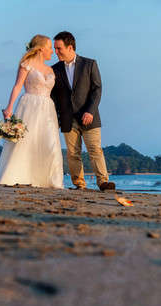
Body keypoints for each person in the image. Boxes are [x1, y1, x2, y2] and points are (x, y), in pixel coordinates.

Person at [0, 35, 64, 188]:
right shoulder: (26, 65)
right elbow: (17, 86)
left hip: (48, 110)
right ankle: (18, 176)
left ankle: (50, 181)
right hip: (29, 105)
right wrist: (9, 108)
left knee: (49, 143)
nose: (52, 51)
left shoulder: (50, 69)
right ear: (40, 49)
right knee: (26, 143)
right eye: (50, 48)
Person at [51, 31, 115, 191]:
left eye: (59, 48)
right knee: (73, 153)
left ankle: (103, 182)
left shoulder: (90, 64)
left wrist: (90, 111)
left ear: (70, 47)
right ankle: (79, 184)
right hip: (67, 118)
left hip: (89, 116)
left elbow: (97, 89)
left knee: (95, 149)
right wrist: (57, 117)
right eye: (55, 49)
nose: (55, 52)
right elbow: (53, 97)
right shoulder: (54, 69)